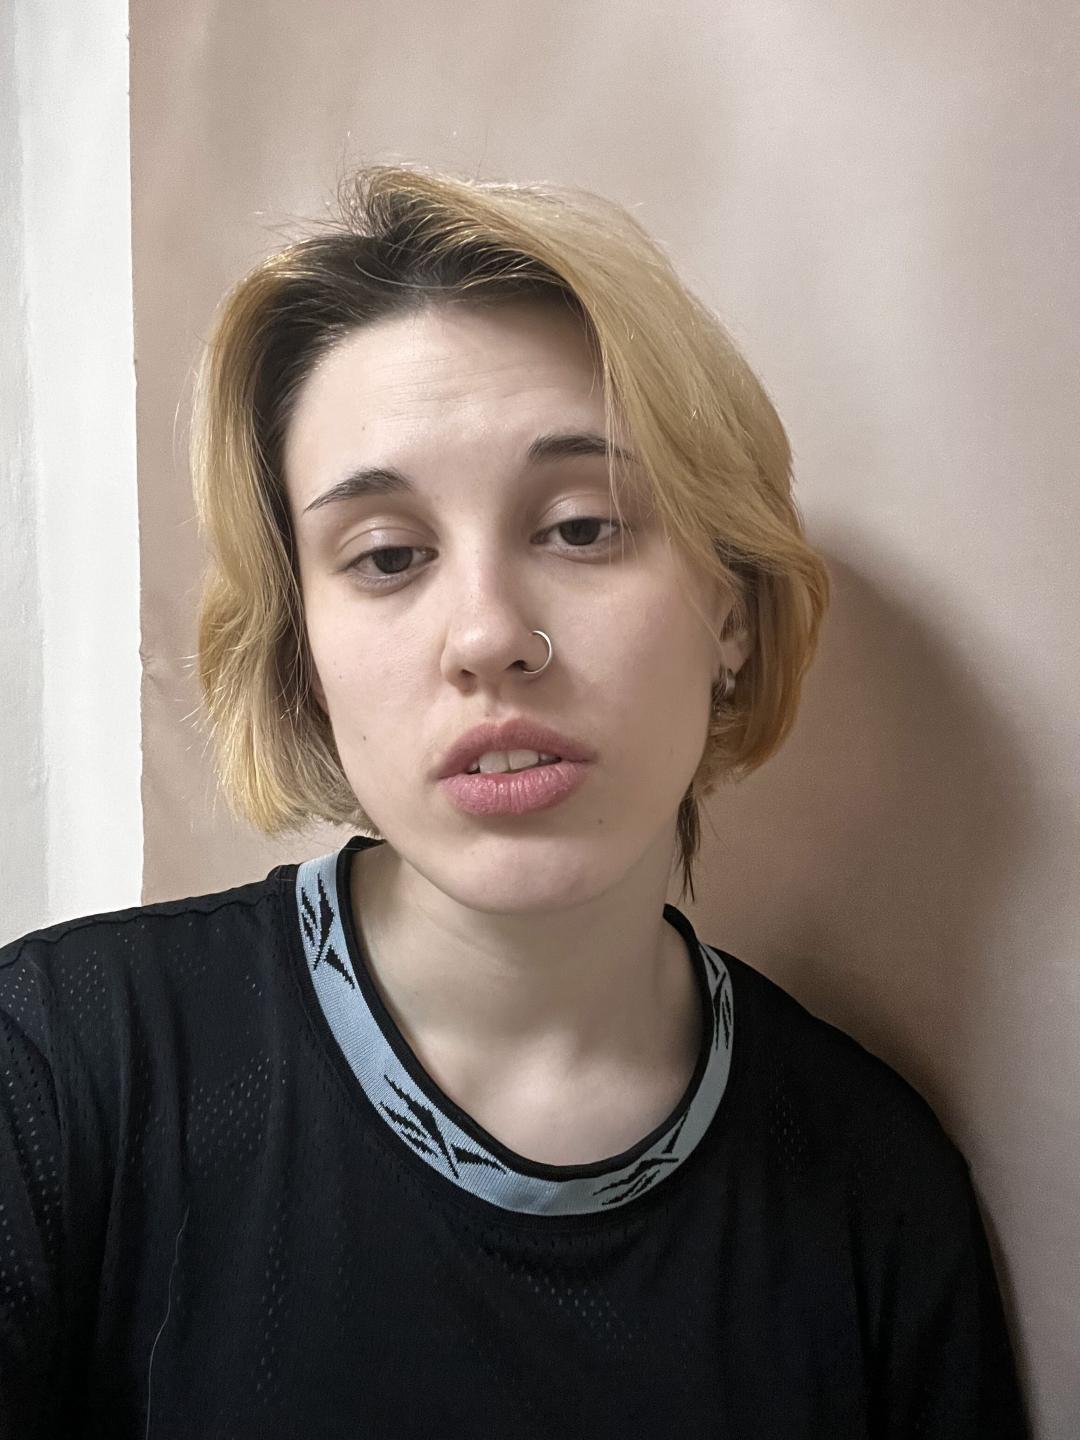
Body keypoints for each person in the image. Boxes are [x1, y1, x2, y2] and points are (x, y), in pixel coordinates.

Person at [0, 164, 1027, 1438]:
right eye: (388, 556)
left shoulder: (879, 1193)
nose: (488, 635)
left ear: (731, 612)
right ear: (302, 654)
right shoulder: (60, 1070)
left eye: (582, 528)